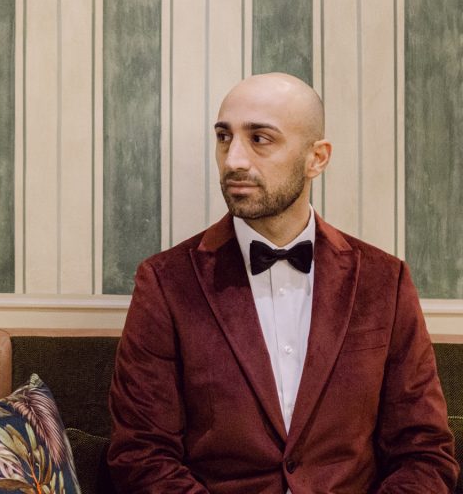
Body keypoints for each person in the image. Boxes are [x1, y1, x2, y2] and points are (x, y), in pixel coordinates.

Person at [107, 72, 458, 493]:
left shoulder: (385, 281)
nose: (233, 159)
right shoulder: (165, 283)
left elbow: (423, 451)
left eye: (260, 139)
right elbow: (142, 455)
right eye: (224, 137)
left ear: (318, 158)